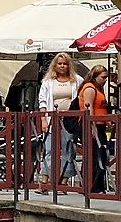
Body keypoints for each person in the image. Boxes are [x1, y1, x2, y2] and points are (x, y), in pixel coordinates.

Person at [37, 53, 83, 190]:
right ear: (55, 65)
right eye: (60, 63)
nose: (62, 66)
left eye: (65, 63)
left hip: (69, 120)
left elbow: (80, 99)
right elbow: (42, 101)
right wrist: (43, 119)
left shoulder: (77, 80)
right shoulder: (48, 81)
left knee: (68, 149)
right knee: (49, 149)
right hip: (52, 119)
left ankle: (64, 180)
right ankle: (45, 179)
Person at [79, 65, 111, 194]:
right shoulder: (90, 89)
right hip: (94, 125)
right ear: (95, 76)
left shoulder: (98, 88)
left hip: (100, 124)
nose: (105, 80)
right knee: (96, 155)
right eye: (103, 77)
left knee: (100, 155)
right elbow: (89, 108)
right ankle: (92, 185)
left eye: (106, 77)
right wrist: (92, 126)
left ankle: (96, 185)